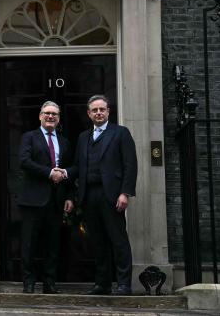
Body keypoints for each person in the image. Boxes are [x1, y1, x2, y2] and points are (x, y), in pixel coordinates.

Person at [64, 95, 138, 296]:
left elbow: (130, 165)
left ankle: (124, 284)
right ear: (88, 114)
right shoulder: (83, 137)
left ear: (108, 112)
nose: (98, 113)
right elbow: (78, 167)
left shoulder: (121, 133)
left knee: (118, 240)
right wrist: (64, 174)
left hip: (112, 195)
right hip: (88, 196)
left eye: (102, 109)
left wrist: (125, 193)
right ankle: (102, 283)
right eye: (94, 110)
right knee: (98, 242)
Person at [18, 101, 74, 294]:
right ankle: (29, 282)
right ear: (40, 116)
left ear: (58, 119)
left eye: (55, 114)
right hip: (32, 199)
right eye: (47, 113)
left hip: (56, 200)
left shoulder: (65, 142)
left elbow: (71, 168)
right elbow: (24, 161)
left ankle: (50, 283)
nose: (51, 117)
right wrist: (50, 173)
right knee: (29, 243)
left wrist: (68, 194)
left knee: (52, 245)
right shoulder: (29, 137)